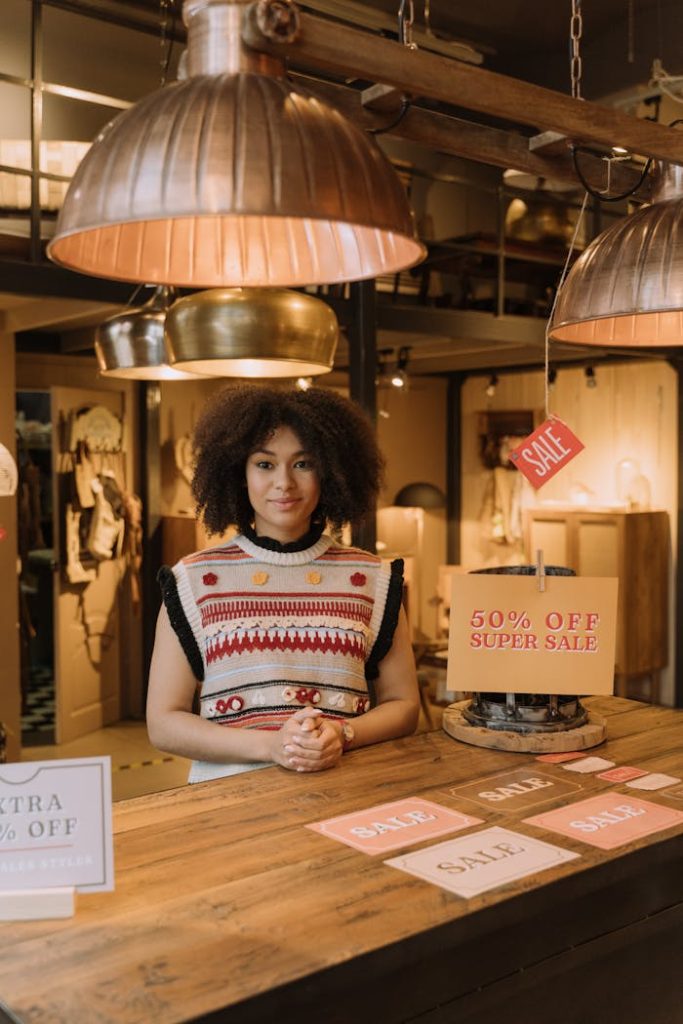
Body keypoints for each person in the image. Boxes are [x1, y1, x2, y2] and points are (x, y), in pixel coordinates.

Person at [146, 383, 420, 783]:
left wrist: (343, 733)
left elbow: (405, 705)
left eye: (303, 463)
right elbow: (163, 723)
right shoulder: (193, 581)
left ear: (331, 472)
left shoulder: (373, 580)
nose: (284, 483)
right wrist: (271, 746)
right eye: (265, 464)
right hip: (226, 806)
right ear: (238, 473)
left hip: (348, 794)